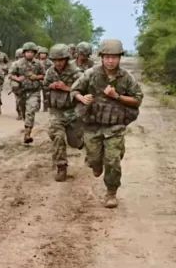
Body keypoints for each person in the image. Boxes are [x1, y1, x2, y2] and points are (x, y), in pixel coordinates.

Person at [71, 39, 143, 208]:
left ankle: (111, 193)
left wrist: (117, 96)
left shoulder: (126, 77)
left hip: (114, 126)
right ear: (102, 57)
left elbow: (137, 99)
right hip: (92, 125)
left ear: (120, 58)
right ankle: (95, 164)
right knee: (94, 159)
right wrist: (82, 98)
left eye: (114, 57)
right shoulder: (91, 73)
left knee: (112, 161)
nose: (110, 61)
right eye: (107, 57)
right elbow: (74, 90)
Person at [43, 44, 82, 182]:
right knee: (57, 136)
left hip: (72, 111)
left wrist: (66, 88)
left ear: (66, 59)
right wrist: (51, 86)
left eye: (61, 60)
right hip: (56, 111)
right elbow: (45, 84)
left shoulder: (76, 72)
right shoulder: (50, 71)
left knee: (75, 142)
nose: (58, 63)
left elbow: (85, 89)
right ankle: (61, 167)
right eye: (55, 60)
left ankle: (84, 144)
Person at [10, 42, 44, 144]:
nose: (29, 54)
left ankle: (27, 134)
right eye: (27, 52)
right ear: (24, 53)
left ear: (35, 53)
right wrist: (17, 79)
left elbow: (44, 75)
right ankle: (27, 126)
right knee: (24, 111)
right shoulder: (17, 63)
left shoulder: (38, 64)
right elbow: (10, 74)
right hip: (21, 92)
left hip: (34, 91)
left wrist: (36, 77)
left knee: (31, 111)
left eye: (31, 52)